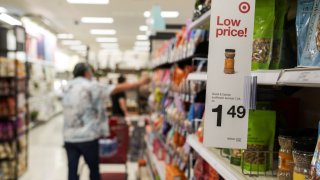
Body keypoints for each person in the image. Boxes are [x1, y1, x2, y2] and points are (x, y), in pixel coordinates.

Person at [62, 62, 149, 180]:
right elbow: (115, 89)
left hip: (69, 137)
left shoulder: (67, 87)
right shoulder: (89, 86)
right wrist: (140, 82)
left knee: (72, 170)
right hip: (87, 137)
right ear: (87, 72)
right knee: (93, 169)